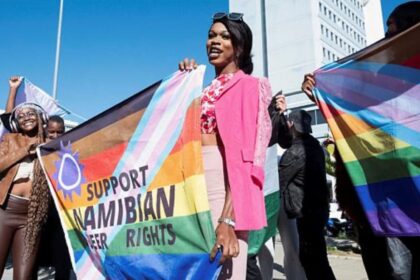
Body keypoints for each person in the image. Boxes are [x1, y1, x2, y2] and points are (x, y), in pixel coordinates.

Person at [301, 2, 420, 279]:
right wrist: (322, 95)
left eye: (397, 31)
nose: (389, 39)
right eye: (388, 32)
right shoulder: (374, 85)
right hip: (382, 208)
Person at [179, 12, 273, 279]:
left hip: (225, 192)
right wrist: (183, 84)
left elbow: (246, 160)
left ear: (240, 47)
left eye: (224, 36)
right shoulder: (200, 88)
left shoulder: (251, 87)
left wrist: (228, 219)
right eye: (211, 36)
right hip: (193, 190)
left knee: (225, 272)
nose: (215, 41)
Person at [279, 110, 335, 280]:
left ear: (291, 125)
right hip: (318, 208)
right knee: (318, 258)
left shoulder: (295, 151)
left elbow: (280, 180)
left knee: (312, 261)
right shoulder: (316, 146)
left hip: (306, 212)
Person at [0, 99, 50, 279]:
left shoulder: (50, 143)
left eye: (30, 113)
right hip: (5, 211)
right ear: (16, 122)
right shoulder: (10, 139)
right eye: (21, 116)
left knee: (24, 275)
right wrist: (24, 151)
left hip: (31, 216)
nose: (26, 118)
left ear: (40, 117)